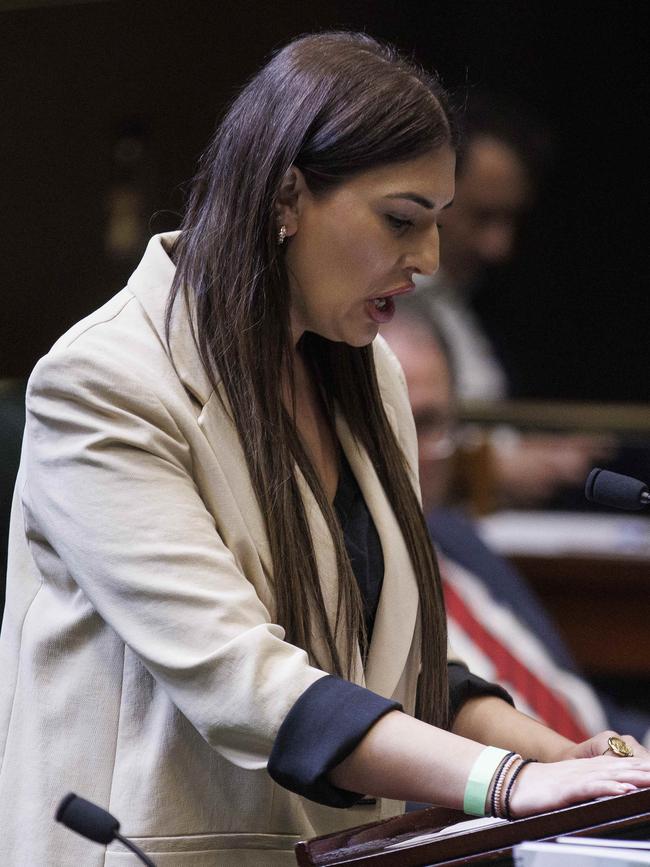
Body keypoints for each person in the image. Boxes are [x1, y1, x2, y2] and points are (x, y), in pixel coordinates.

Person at [1, 32, 649, 867]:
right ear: (285, 196)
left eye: (437, 224)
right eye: (401, 220)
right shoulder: (102, 382)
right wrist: (507, 778)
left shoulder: (365, 369)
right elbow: (244, 679)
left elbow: (395, 657)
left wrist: (560, 760)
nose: (427, 261)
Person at [381, 310, 650, 746]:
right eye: (388, 422)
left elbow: (581, 709)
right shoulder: (340, 584)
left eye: (429, 424)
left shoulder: (455, 539)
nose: (408, 452)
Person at [415, 94, 611, 506]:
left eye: (510, 220)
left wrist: (533, 455)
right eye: (482, 216)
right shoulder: (379, 300)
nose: (499, 247)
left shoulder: (461, 299)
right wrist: (492, 469)